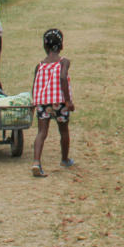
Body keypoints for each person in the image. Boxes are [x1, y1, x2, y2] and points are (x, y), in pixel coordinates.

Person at [30, 29, 75, 177]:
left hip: (43, 103)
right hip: (60, 102)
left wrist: (34, 101)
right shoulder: (64, 62)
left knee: (42, 132)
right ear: (61, 46)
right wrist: (68, 101)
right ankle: (64, 159)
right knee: (63, 131)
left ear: (45, 47)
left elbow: (35, 84)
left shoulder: (40, 65)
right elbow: (63, 78)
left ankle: (36, 162)